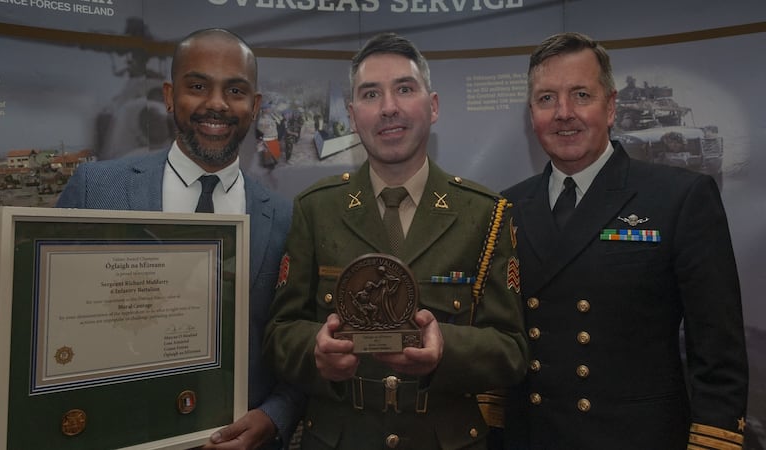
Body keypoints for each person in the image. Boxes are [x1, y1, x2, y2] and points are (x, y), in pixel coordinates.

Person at [263, 32, 527, 449]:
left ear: (433, 105)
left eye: (404, 89)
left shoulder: (486, 214)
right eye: (371, 94)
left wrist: (446, 349)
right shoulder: (316, 209)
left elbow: (512, 351)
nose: (388, 108)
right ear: (352, 115)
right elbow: (279, 333)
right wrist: (315, 350)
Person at [499, 32, 748, 450]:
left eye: (581, 94)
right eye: (546, 99)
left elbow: (717, 354)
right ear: (531, 114)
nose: (564, 113)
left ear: (610, 106)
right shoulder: (506, 207)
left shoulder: (680, 199)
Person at [56, 28, 303, 450]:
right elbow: (40, 321)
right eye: (198, 86)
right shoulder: (95, 190)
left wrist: (274, 416)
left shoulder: (285, 218)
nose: (217, 104)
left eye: (236, 90)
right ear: (170, 96)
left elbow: (297, 345)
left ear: (255, 106)